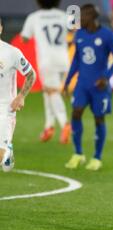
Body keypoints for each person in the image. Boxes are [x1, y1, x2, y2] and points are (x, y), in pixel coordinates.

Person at [63, 4, 113, 171]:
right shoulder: (80, 34)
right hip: (82, 84)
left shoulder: (107, 35)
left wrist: (107, 77)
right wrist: (68, 81)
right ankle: (78, 153)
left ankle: (97, 157)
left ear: (91, 18)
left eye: (82, 16)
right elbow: (76, 59)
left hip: (99, 86)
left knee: (99, 119)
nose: (79, 19)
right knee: (75, 113)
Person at [21, 0, 71, 144]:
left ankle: (65, 124)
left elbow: (24, 38)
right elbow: (75, 28)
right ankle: (48, 127)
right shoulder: (63, 15)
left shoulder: (34, 17)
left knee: (52, 92)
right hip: (63, 59)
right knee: (48, 91)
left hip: (47, 61)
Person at [0, 17, 36, 172]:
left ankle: (6, 148)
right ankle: (7, 147)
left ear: (0, 29)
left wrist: (21, 96)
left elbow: (31, 74)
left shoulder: (11, 52)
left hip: (4, 108)